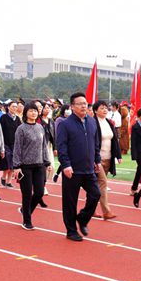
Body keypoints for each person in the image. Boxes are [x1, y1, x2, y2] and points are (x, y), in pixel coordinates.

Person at [55, 92, 101, 242]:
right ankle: (71, 230)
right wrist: (66, 165)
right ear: (72, 106)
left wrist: (97, 160)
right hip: (72, 170)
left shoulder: (92, 122)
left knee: (96, 194)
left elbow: (95, 144)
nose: (83, 106)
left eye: (85, 103)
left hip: (88, 169)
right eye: (79, 104)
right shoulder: (65, 124)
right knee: (70, 202)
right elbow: (61, 147)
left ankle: (82, 218)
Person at [13, 101, 51, 230]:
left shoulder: (40, 127)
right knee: (27, 194)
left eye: (35, 110)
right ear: (26, 113)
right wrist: (16, 166)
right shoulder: (21, 129)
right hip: (25, 166)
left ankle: (25, 210)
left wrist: (47, 162)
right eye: (31, 110)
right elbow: (17, 148)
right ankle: (27, 221)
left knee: (39, 192)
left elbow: (44, 146)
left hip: (39, 165)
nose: (34, 113)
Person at [92, 101, 120, 220]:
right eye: (102, 108)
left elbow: (114, 140)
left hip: (108, 158)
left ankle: (91, 209)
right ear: (95, 110)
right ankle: (106, 212)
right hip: (97, 159)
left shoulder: (109, 122)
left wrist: (118, 155)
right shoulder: (92, 123)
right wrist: (94, 158)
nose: (105, 110)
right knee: (103, 183)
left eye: (106, 108)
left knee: (96, 185)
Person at [0, 100, 22, 188]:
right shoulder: (3, 117)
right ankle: (3, 177)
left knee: (13, 163)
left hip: (15, 144)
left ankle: (9, 181)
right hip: (5, 143)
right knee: (7, 162)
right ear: (8, 107)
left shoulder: (17, 119)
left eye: (16, 106)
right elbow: (0, 131)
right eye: (13, 106)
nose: (15, 108)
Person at [129, 108, 141, 194]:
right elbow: (133, 142)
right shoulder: (135, 127)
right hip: (139, 152)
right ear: (139, 115)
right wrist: (134, 155)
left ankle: (135, 188)